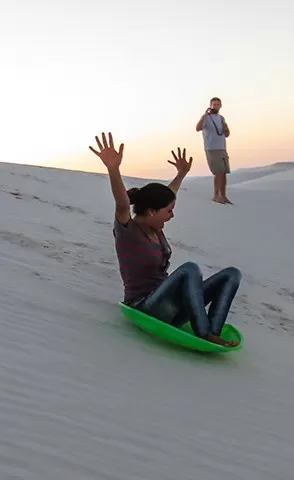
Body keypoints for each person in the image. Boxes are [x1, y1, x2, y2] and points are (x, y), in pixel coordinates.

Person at [88, 131, 242, 347]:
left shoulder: (156, 227)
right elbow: (122, 203)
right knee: (190, 269)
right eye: (168, 211)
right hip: (145, 306)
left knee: (232, 274)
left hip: (170, 306)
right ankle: (204, 333)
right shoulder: (128, 231)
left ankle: (212, 331)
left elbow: (167, 194)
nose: (172, 215)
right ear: (151, 212)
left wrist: (181, 173)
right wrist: (113, 169)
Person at [195, 96, 232, 204]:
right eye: (214, 104)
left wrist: (226, 128)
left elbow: (227, 134)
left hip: (222, 148)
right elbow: (198, 128)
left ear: (220, 106)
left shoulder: (221, 118)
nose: (216, 106)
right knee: (218, 172)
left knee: (224, 172)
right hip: (212, 148)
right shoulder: (206, 118)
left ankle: (223, 196)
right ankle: (216, 195)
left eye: (217, 104)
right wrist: (204, 115)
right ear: (210, 105)